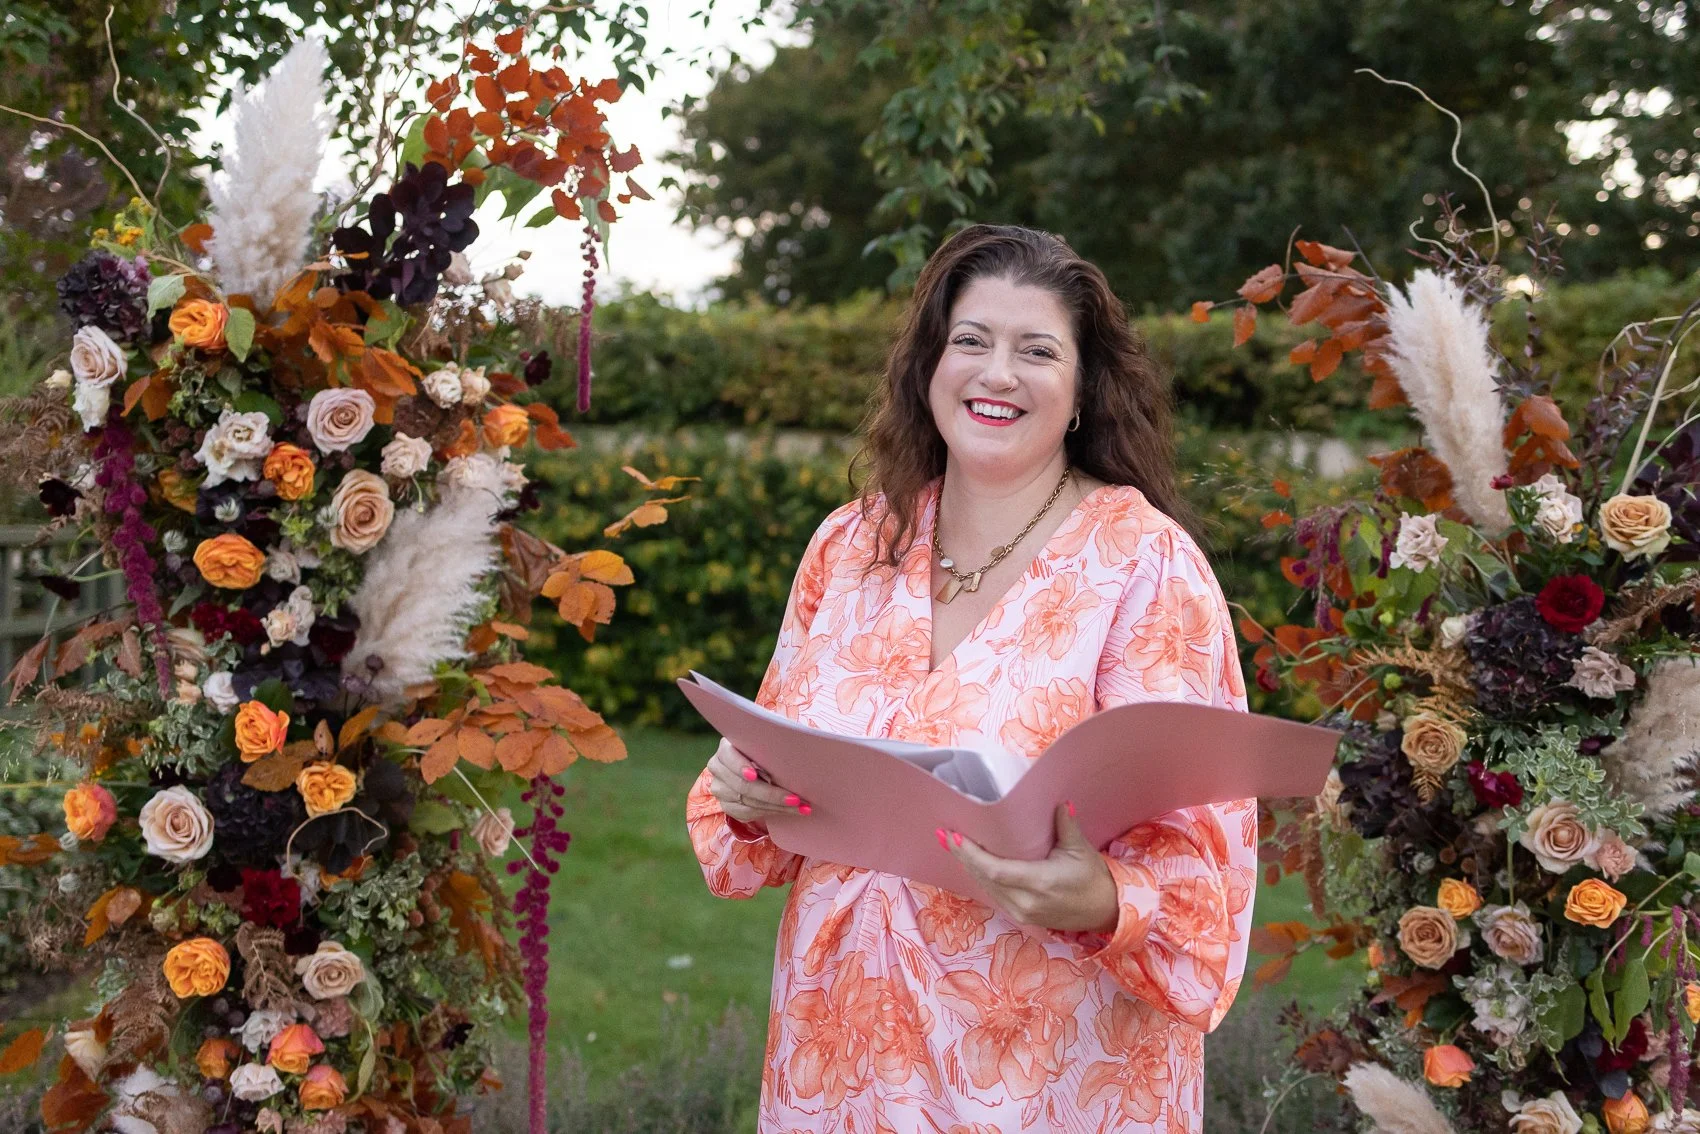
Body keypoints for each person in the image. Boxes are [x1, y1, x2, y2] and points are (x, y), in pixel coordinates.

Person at [686, 223, 1255, 1132]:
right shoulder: (853, 544)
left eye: (1036, 350)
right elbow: (760, 801)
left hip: (1042, 1073)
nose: (998, 374)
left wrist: (1105, 898)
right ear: (929, 368)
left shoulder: (1142, 562)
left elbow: (1209, 863)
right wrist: (745, 790)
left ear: (1079, 393)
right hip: (837, 1059)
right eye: (971, 342)